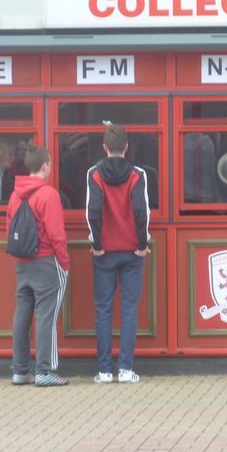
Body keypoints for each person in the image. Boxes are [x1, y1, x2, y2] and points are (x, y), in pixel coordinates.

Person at [86, 124, 150, 384]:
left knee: (103, 311)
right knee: (129, 310)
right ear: (126, 147)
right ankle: (125, 369)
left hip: (105, 253)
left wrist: (97, 243)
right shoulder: (138, 174)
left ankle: (104, 370)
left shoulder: (94, 173)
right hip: (132, 251)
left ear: (104, 148)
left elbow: (93, 210)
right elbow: (141, 210)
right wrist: (142, 243)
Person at [7, 146, 70, 387]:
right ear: (44, 166)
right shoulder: (49, 195)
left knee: (22, 314)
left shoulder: (15, 195)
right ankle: (44, 370)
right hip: (46, 262)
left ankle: (20, 370)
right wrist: (64, 263)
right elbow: (57, 234)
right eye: (50, 164)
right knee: (47, 316)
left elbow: (9, 229)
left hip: (23, 263)